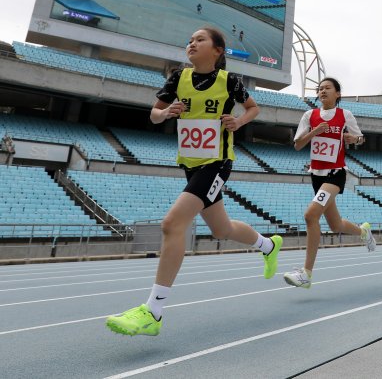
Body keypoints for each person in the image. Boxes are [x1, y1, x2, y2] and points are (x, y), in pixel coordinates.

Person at [105, 27, 282, 336]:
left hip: (217, 163)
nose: (192, 44)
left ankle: (153, 311)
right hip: (190, 163)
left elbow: (253, 108)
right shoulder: (178, 78)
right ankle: (268, 245)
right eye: (189, 40)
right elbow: (154, 114)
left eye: (200, 40)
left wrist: (238, 121)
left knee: (172, 224)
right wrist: (167, 112)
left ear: (217, 51)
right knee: (221, 229)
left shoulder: (229, 82)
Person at [283, 77, 375, 289]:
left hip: (335, 174)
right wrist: (315, 131)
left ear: (338, 94)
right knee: (335, 225)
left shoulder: (345, 115)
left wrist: (354, 139)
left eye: (327, 88)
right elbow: (297, 145)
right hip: (317, 175)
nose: (322, 91)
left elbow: (360, 138)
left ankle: (306, 273)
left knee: (310, 215)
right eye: (320, 88)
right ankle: (363, 232)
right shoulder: (310, 115)